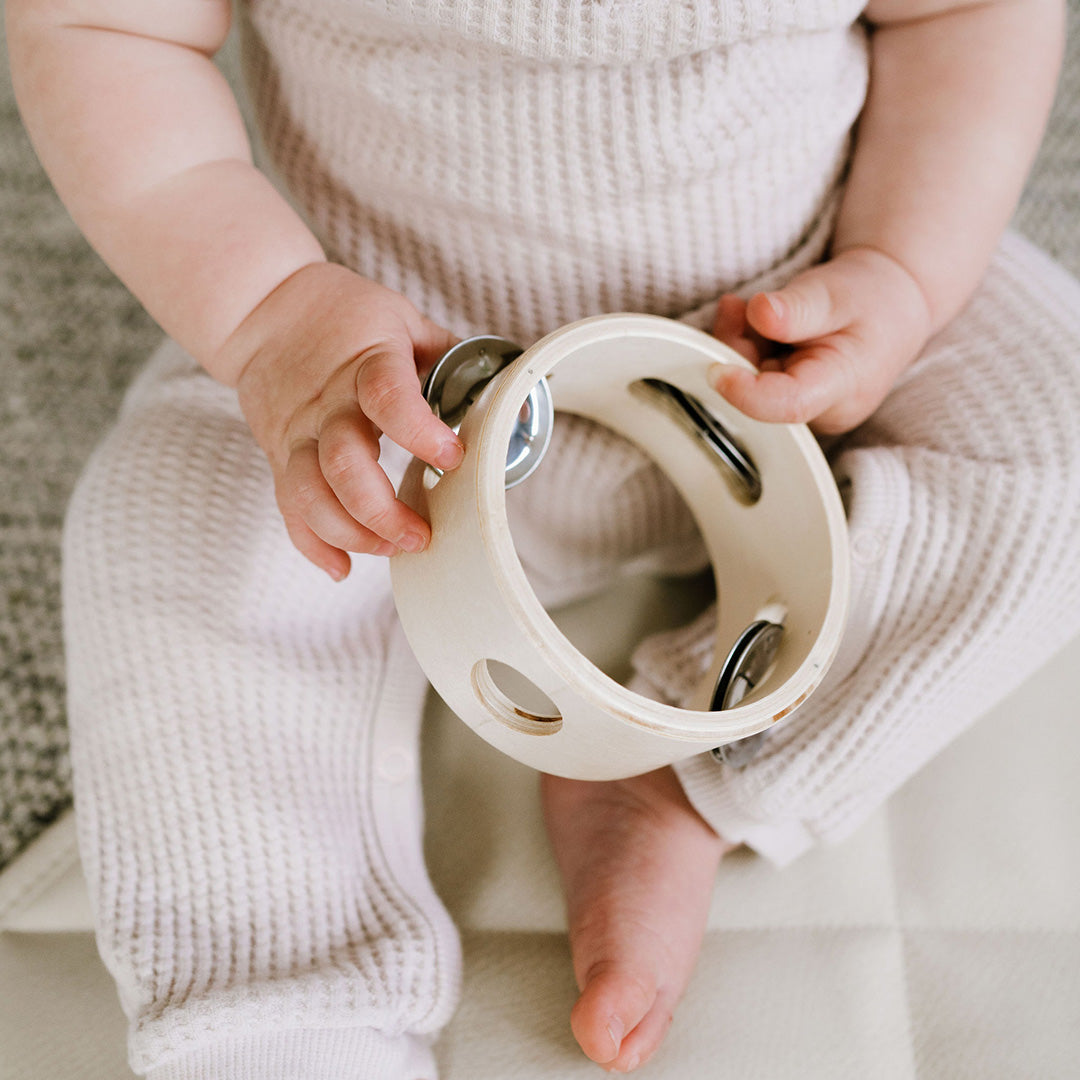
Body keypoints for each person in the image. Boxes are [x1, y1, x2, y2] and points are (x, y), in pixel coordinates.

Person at [6, 0, 1080, 1076]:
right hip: (385, 379)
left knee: (1057, 437)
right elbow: (105, 30)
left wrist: (902, 270)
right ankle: (287, 1019)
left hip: (789, 348)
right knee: (168, 536)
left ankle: (683, 769)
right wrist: (270, 310)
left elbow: (969, 13)